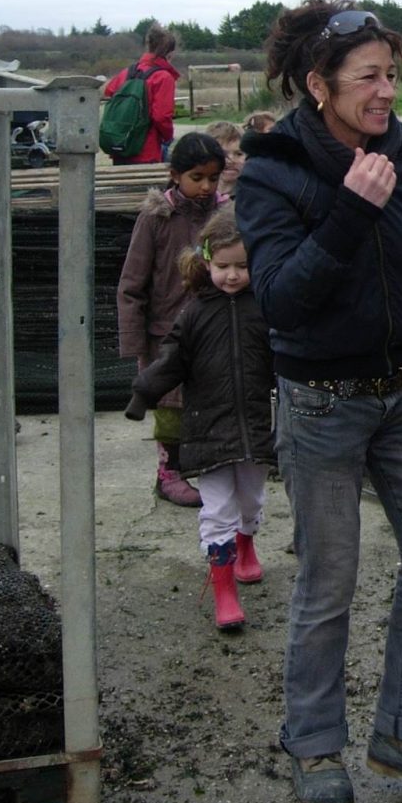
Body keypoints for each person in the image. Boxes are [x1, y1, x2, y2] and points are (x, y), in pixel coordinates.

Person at [233, 0, 402, 803]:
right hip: (320, 404)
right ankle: (314, 748)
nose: (385, 91)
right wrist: (349, 209)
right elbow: (279, 301)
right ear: (319, 85)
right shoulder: (273, 171)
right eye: (369, 77)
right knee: (329, 580)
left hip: (400, 393)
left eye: (392, 75)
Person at [125, 207, 273, 631]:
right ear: (206, 262)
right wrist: (144, 392)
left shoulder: (264, 308)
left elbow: (286, 354)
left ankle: (246, 545)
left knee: (252, 499)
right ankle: (224, 589)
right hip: (207, 428)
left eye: (241, 267)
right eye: (223, 266)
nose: (231, 276)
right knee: (217, 507)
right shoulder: (193, 315)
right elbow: (171, 361)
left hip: (255, 425)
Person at [117, 131, 228, 507]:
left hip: (214, 329)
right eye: (197, 177)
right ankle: (169, 474)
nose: (205, 186)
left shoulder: (224, 215)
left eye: (213, 178)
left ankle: (210, 468)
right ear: (174, 174)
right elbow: (132, 284)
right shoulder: (156, 218)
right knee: (170, 409)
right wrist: (135, 344)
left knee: (212, 400)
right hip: (165, 334)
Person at [102, 24, 180, 165]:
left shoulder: (128, 72)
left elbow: (109, 93)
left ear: (148, 45)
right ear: (170, 52)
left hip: (121, 146)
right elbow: (161, 116)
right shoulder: (163, 77)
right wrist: (168, 137)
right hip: (146, 151)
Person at [205, 120, 245, 198]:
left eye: (238, 154)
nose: (230, 160)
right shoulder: (195, 194)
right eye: (223, 154)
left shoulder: (254, 197)